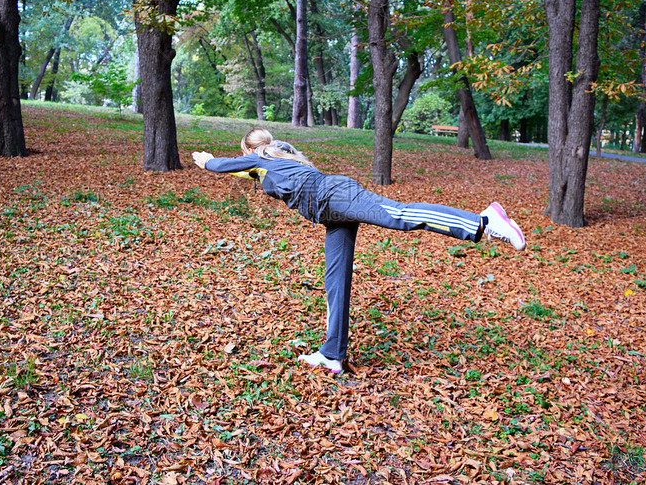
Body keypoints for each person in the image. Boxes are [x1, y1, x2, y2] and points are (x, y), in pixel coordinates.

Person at [192, 128, 525, 374]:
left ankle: (481, 221)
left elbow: (226, 166)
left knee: (399, 215)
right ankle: (333, 353)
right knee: (335, 280)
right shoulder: (273, 159)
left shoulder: (263, 159)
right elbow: (241, 169)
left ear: (249, 149)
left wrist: (208, 162)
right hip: (330, 213)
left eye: (245, 153)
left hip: (335, 195)